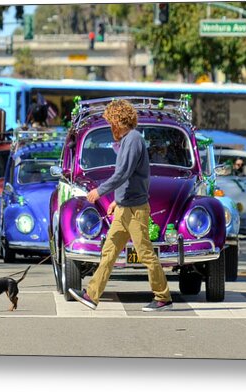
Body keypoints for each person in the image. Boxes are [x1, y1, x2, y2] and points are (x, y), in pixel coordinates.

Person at [68, 99, 172, 312]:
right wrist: (117, 201)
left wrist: (100, 192)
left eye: (110, 122)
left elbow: (123, 173)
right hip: (125, 208)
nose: (109, 127)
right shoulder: (129, 140)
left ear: (117, 121)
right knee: (109, 250)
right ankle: (91, 295)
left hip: (135, 211)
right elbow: (131, 177)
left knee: (145, 253)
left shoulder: (133, 140)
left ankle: (163, 297)